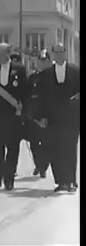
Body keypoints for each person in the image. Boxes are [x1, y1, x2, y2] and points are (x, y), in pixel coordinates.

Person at [37, 43, 79, 193]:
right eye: (56, 52)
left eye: (62, 51)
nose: (59, 54)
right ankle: (61, 181)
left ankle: (71, 181)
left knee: (70, 149)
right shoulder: (46, 73)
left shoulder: (75, 70)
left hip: (72, 118)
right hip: (53, 117)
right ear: (53, 54)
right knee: (56, 149)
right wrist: (41, 116)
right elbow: (41, 97)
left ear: (65, 52)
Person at [0, 43, 28, 190]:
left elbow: (24, 91)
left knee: (12, 147)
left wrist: (23, 110)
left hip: (13, 114)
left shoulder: (20, 70)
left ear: (7, 53)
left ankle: (9, 178)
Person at [26, 49, 52, 178]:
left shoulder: (52, 76)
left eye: (44, 60)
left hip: (48, 115)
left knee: (46, 143)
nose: (42, 63)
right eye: (40, 60)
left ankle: (43, 166)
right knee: (34, 143)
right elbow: (28, 95)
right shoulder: (33, 77)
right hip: (34, 115)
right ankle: (38, 164)